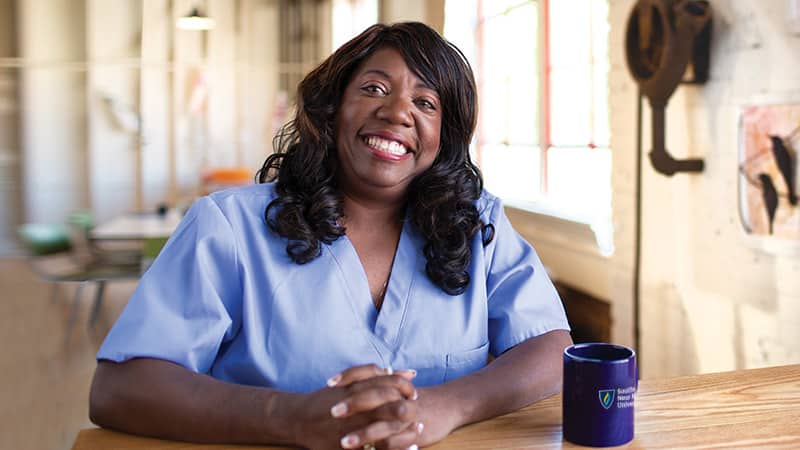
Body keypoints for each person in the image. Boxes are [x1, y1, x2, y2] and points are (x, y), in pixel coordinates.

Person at [89, 21, 572, 450]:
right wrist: (291, 418)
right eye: (375, 88)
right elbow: (121, 388)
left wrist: (445, 406)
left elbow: (550, 346)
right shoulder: (228, 226)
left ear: (443, 137)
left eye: (426, 102)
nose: (398, 112)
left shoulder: (476, 225)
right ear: (331, 110)